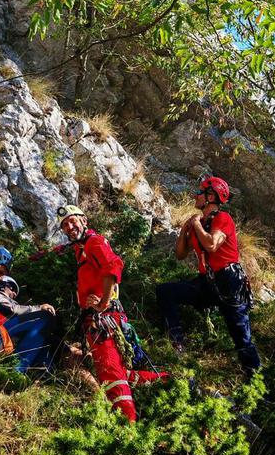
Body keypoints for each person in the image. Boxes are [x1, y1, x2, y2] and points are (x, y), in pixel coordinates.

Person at [57, 204, 168, 421]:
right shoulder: (81, 248)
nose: (69, 227)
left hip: (102, 322)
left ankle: (127, 427)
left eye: (73, 221)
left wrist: (103, 303)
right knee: (120, 374)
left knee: (112, 376)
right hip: (101, 320)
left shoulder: (93, 242)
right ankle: (170, 381)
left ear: (84, 220)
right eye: (65, 225)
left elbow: (113, 267)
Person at [156, 176, 261, 376]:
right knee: (165, 292)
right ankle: (177, 343)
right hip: (207, 282)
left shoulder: (223, 219)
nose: (196, 195)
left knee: (241, 334)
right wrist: (184, 230)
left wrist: (195, 225)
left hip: (229, 282)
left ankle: (254, 379)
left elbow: (212, 244)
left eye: (200, 192)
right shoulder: (199, 222)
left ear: (210, 196)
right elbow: (180, 254)